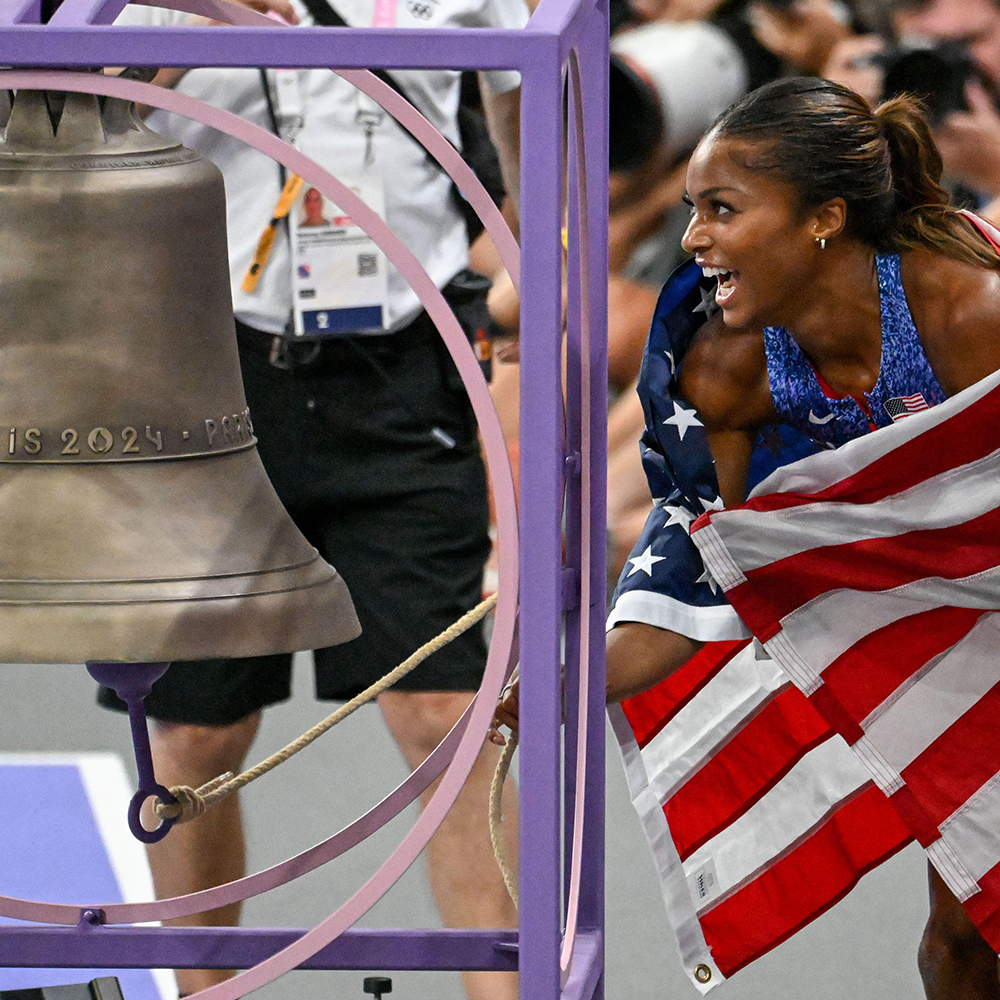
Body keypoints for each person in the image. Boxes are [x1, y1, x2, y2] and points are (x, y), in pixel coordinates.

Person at [493, 77, 1000, 998]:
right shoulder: (727, 371)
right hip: (958, 633)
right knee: (961, 951)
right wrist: (560, 688)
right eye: (692, 212)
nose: (692, 240)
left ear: (824, 220)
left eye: (721, 210)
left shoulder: (972, 319)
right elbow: (697, 580)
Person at [102, 2, 526, 998]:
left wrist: (527, 259)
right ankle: (202, 990)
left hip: (401, 373)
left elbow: (526, 107)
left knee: (447, 716)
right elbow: (72, 109)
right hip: (200, 369)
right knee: (198, 732)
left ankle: (504, 993)